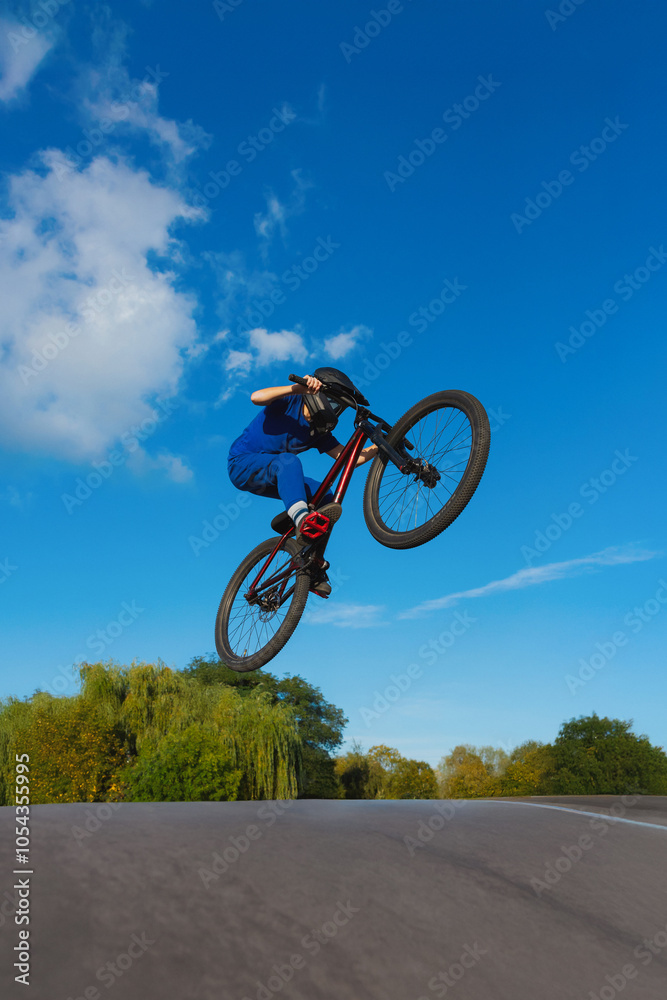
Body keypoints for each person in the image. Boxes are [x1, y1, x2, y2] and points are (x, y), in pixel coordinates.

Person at [228, 367, 378, 596]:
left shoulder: (318, 432)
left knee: (327, 497)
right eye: (333, 401)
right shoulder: (291, 402)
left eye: (341, 407)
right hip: (242, 464)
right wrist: (298, 387)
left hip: (274, 473)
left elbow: (349, 459)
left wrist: (379, 447)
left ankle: (311, 560)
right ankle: (300, 517)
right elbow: (256, 397)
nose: (335, 410)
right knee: (288, 462)